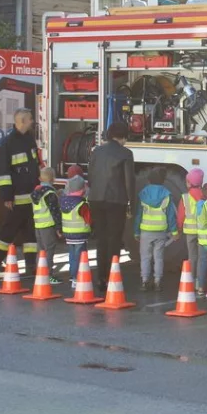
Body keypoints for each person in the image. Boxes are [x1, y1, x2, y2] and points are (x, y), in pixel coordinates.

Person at [88, 121, 136, 295]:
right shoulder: (125, 154)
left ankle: (101, 278)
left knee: (101, 239)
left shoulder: (97, 151)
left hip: (96, 199)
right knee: (114, 239)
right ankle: (112, 276)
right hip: (116, 201)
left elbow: (91, 175)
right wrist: (132, 203)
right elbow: (129, 182)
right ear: (123, 136)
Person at [0, 108, 40, 275]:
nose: (33, 121)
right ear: (22, 121)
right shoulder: (8, 143)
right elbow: (3, 172)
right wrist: (7, 195)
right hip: (17, 195)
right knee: (10, 228)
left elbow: (34, 165)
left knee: (30, 230)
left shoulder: (29, 139)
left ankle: (31, 264)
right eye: (30, 119)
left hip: (31, 194)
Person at [133, 168, 179, 292]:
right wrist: (174, 232)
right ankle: (157, 282)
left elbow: (138, 215)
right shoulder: (166, 194)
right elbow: (171, 216)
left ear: (148, 180)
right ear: (163, 181)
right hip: (160, 231)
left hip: (146, 231)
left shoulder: (143, 194)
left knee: (145, 257)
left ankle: (144, 281)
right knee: (158, 257)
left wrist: (136, 231)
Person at [31, 167, 63, 284]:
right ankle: (48, 275)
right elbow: (55, 212)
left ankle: (40, 273)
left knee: (41, 250)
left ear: (40, 178)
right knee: (49, 250)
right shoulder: (50, 193)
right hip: (48, 226)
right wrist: (59, 228)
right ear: (52, 179)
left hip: (38, 225)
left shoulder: (35, 192)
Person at [60, 175, 93, 289]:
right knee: (80, 256)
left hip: (68, 234)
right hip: (80, 234)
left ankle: (72, 275)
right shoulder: (82, 204)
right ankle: (77, 277)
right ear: (83, 189)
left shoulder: (63, 201)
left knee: (72, 255)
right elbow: (88, 219)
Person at [178, 168, 206, 295]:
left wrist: (178, 229)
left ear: (188, 183)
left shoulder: (184, 198)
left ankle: (190, 280)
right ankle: (200, 285)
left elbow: (180, 216)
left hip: (189, 232)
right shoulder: (204, 196)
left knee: (192, 257)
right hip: (202, 232)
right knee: (202, 258)